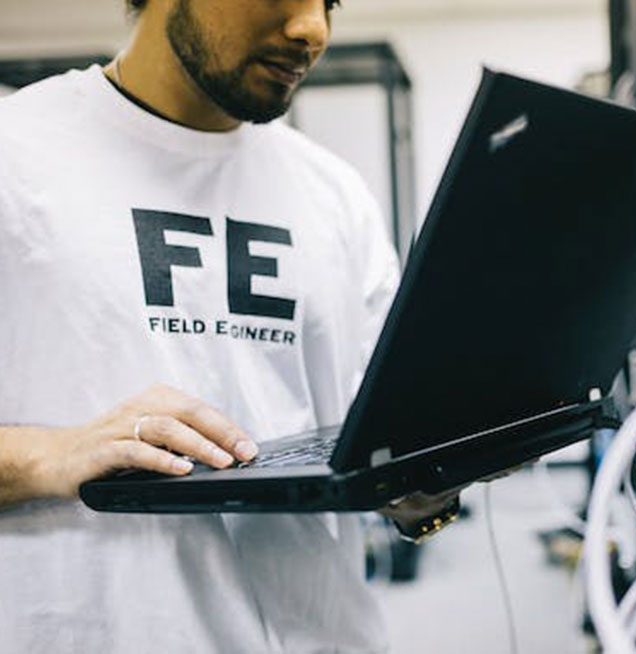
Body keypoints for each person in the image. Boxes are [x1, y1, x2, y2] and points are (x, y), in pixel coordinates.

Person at [0, 0, 459, 651]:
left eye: (329, 2)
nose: (312, 30)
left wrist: (418, 492)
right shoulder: (15, 156)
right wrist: (53, 454)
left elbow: (379, 440)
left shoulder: (335, 194)